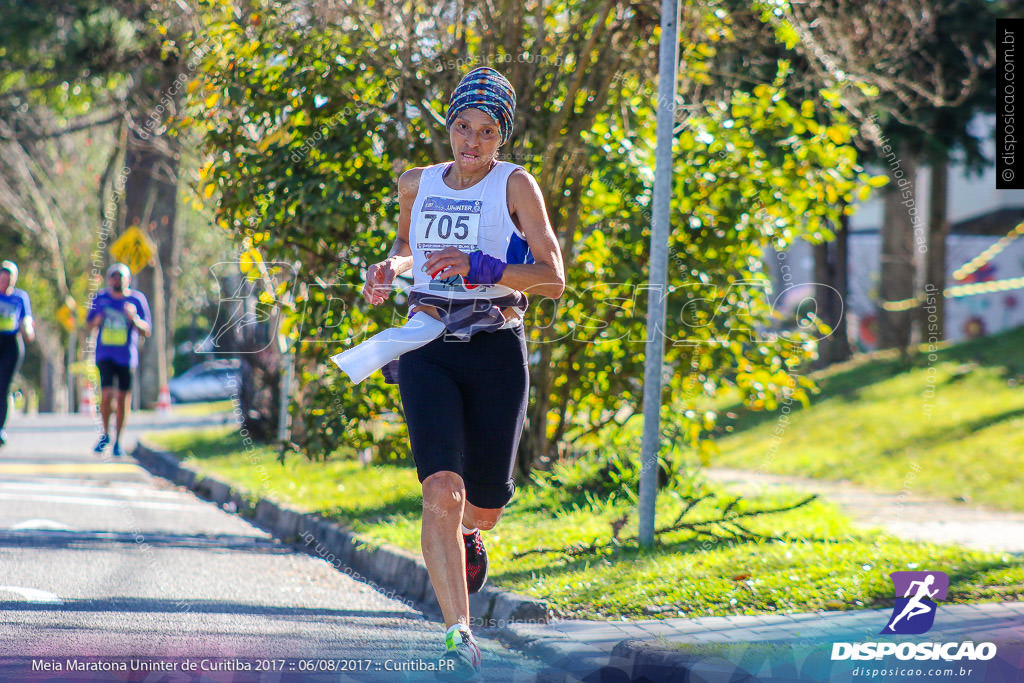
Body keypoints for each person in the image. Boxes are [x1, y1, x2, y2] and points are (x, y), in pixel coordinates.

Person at [361, 66, 564, 680]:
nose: (471, 143)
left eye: (485, 131)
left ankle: (474, 535)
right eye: (461, 128)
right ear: (447, 127)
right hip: (428, 342)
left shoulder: (515, 185)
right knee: (440, 493)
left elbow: (553, 278)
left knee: (482, 508)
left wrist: (481, 265)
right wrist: (390, 268)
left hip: (495, 347)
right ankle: (458, 631)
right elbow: (406, 246)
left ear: (502, 137)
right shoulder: (415, 183)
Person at [87, 263, 151, 457]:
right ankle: (105, 434)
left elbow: (147, 330)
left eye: (121, 277)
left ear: (128, 280)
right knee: (106, 396)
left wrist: (134, 318)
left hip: (126, 356)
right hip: (105, 354)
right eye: (114, 277)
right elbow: (88, 323)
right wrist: (96, 320)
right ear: (109, 280)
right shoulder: (101, 299)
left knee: (123, 398)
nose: (117, 281)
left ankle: (118, 440)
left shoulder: (137, 300)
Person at [0, 261, 34, 445]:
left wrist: (27, 328)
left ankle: (0, 428)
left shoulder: (20, 297)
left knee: (3, 387)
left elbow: (26, 319)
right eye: (3, 278)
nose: (6, 282)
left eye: (9, 278)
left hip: (11, 344)